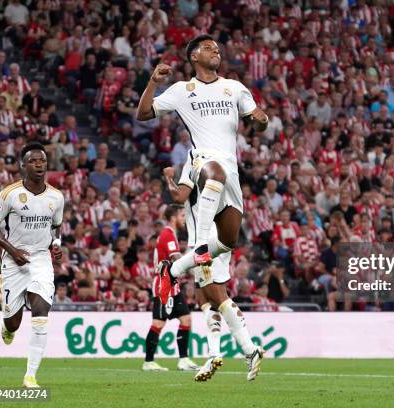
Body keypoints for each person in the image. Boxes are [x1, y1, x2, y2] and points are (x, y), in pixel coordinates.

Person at [135, 35, 268, 299]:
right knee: (214, 171)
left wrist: (261, 119)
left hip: (231, 169)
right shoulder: (182, 90)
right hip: (202, 160)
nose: (215, 51)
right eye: (208, 48)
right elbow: (144, 113)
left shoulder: (235, 88)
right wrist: (153, 82)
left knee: (230, 240)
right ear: (194, 56)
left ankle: (172, 271)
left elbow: (257, 120)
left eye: (217, 49)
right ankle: (198, 245)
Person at [162, 164, 263, 381]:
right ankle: (214, 353)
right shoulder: (214, 164)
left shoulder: (194, 163)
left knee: (217, 295)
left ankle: (249, 348)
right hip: (209, 236)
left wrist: (169, 178)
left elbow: (179, 196)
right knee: (204, 299)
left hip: (207, 240)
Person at [0, 142, 64, 388]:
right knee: (14, 323)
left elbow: (56, 225)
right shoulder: (10, 194)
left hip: (41, 259)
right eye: (33, 161)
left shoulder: (56, 197)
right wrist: (11, 249)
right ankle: (6, 326)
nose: (39, 164)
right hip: (13, 261)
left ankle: (30, 376)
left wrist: (56, 243)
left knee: (41, 311)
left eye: (42, 160)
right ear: (23, 165)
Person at [142, 203, 200, 372]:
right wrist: (195, 263)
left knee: (186, 320)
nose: (184, 219)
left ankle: (183, 360)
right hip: (163, 285)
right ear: (174, 217)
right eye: (182, 215)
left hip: (173, 285)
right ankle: (148, 361)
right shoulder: (167, 234)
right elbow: (176, 258)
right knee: (158, 323)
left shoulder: (171, 234)